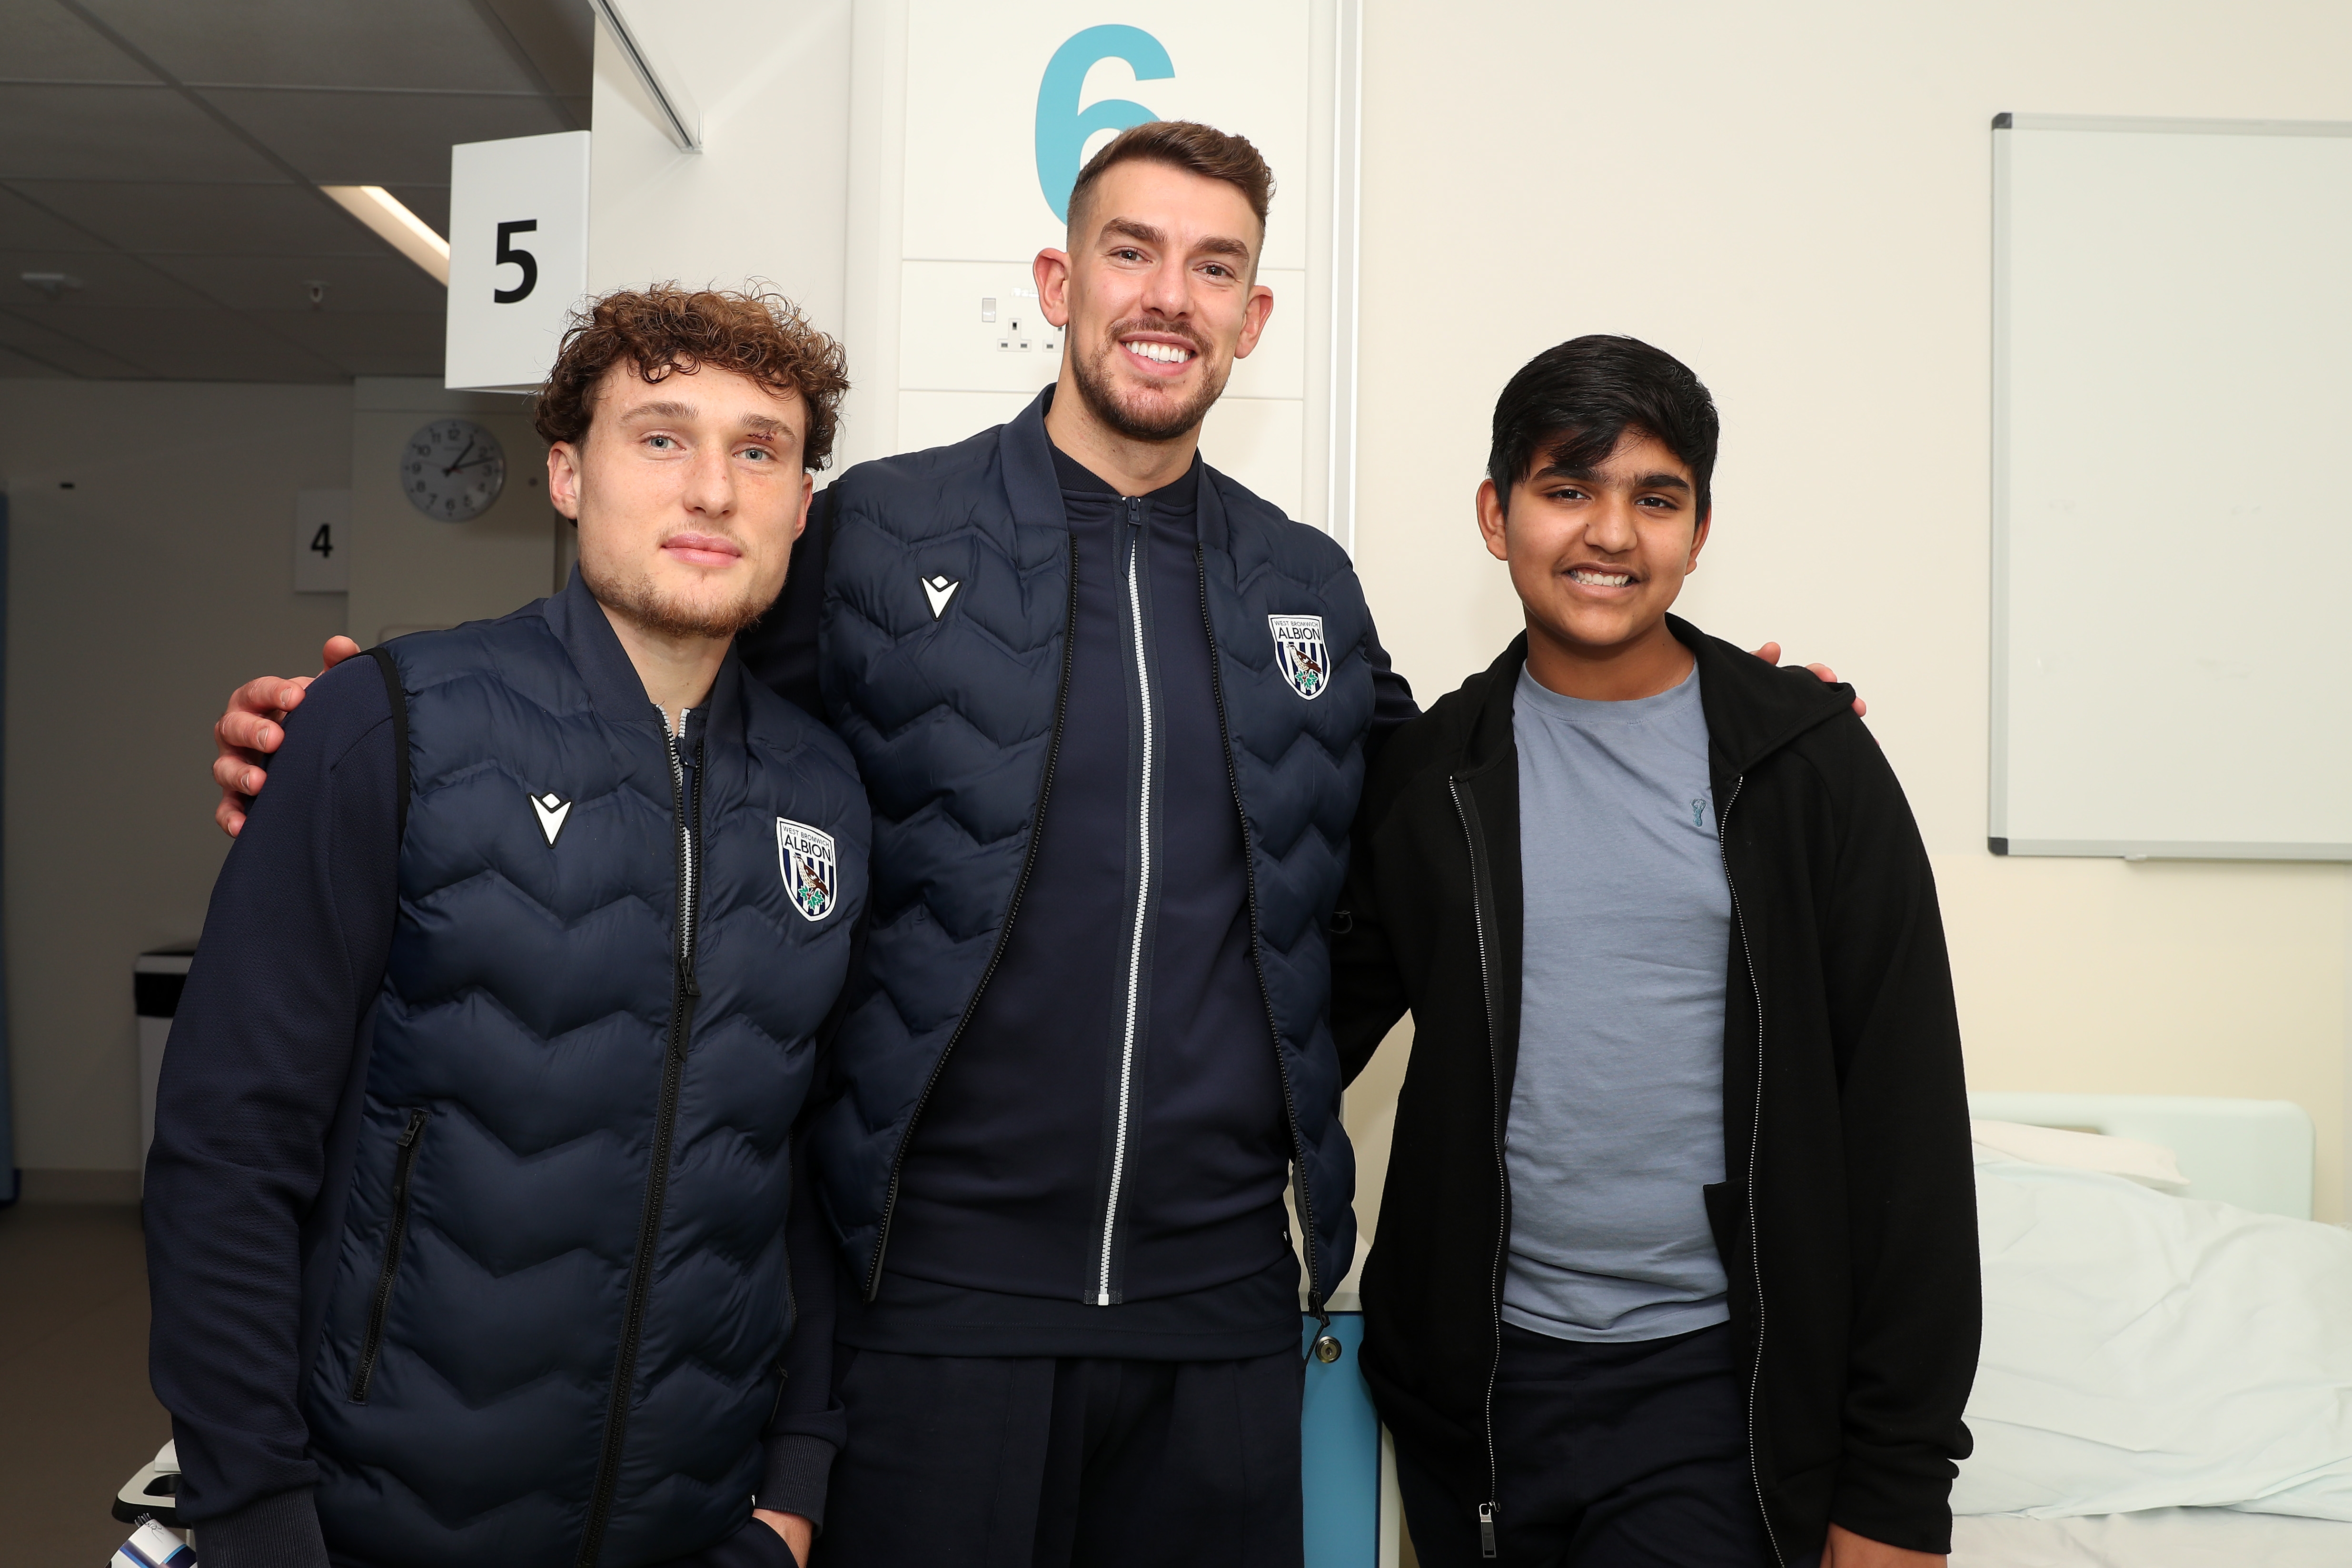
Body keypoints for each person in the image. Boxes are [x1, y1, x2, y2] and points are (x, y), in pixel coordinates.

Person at [205, 128, 1856, 1565]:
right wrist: (386, 731)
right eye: (1133, 251)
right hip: (930, 1308)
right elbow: (677, 721)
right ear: (1060, 279)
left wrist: (1702, 709)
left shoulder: (1306, 584)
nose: (1170, 295)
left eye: (1216, 268)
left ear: (1254, 319)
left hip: (1219, 1318)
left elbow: (1439, 814)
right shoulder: (880, 534)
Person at [147, 289, 866, 1568]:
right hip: (377, 1522)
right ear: (567, 472)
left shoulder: (825, 796)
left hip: (697, 1527)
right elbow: (228, 1150)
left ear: (802, 503)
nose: (711, 488)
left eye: (759, 448)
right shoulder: (392, 725)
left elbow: (799, 1176)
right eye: (660, 436)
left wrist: (789, 1498)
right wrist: (253, 1517)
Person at [1330, 336, 1977, 1568]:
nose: (1610, 533)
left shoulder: (1805, 769)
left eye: (1655, 497)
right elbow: (1291, 1028)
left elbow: (1906, 1137)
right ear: (1495, 513)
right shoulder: (1432, 782)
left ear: (1701, 527)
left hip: (1714, 1391)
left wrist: (1896, 1492)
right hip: (1478, 1400)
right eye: (1568, 488)